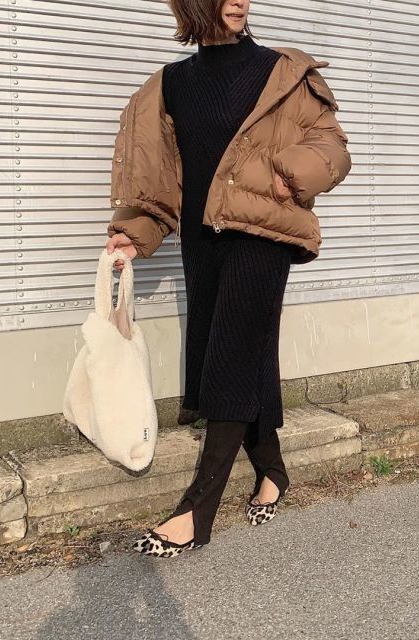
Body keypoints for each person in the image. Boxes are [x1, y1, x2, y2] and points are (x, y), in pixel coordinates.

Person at [105, 0, 351, 559]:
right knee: (242, 351)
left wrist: (288, 176)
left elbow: (331, 146)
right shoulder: (169, 85)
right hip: (202, 240)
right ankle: (273, 470)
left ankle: (198, 508)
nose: (239, 0)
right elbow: (159, 177)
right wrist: (134, 234)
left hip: (261, 233)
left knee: (233, 355)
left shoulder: (283, 73)